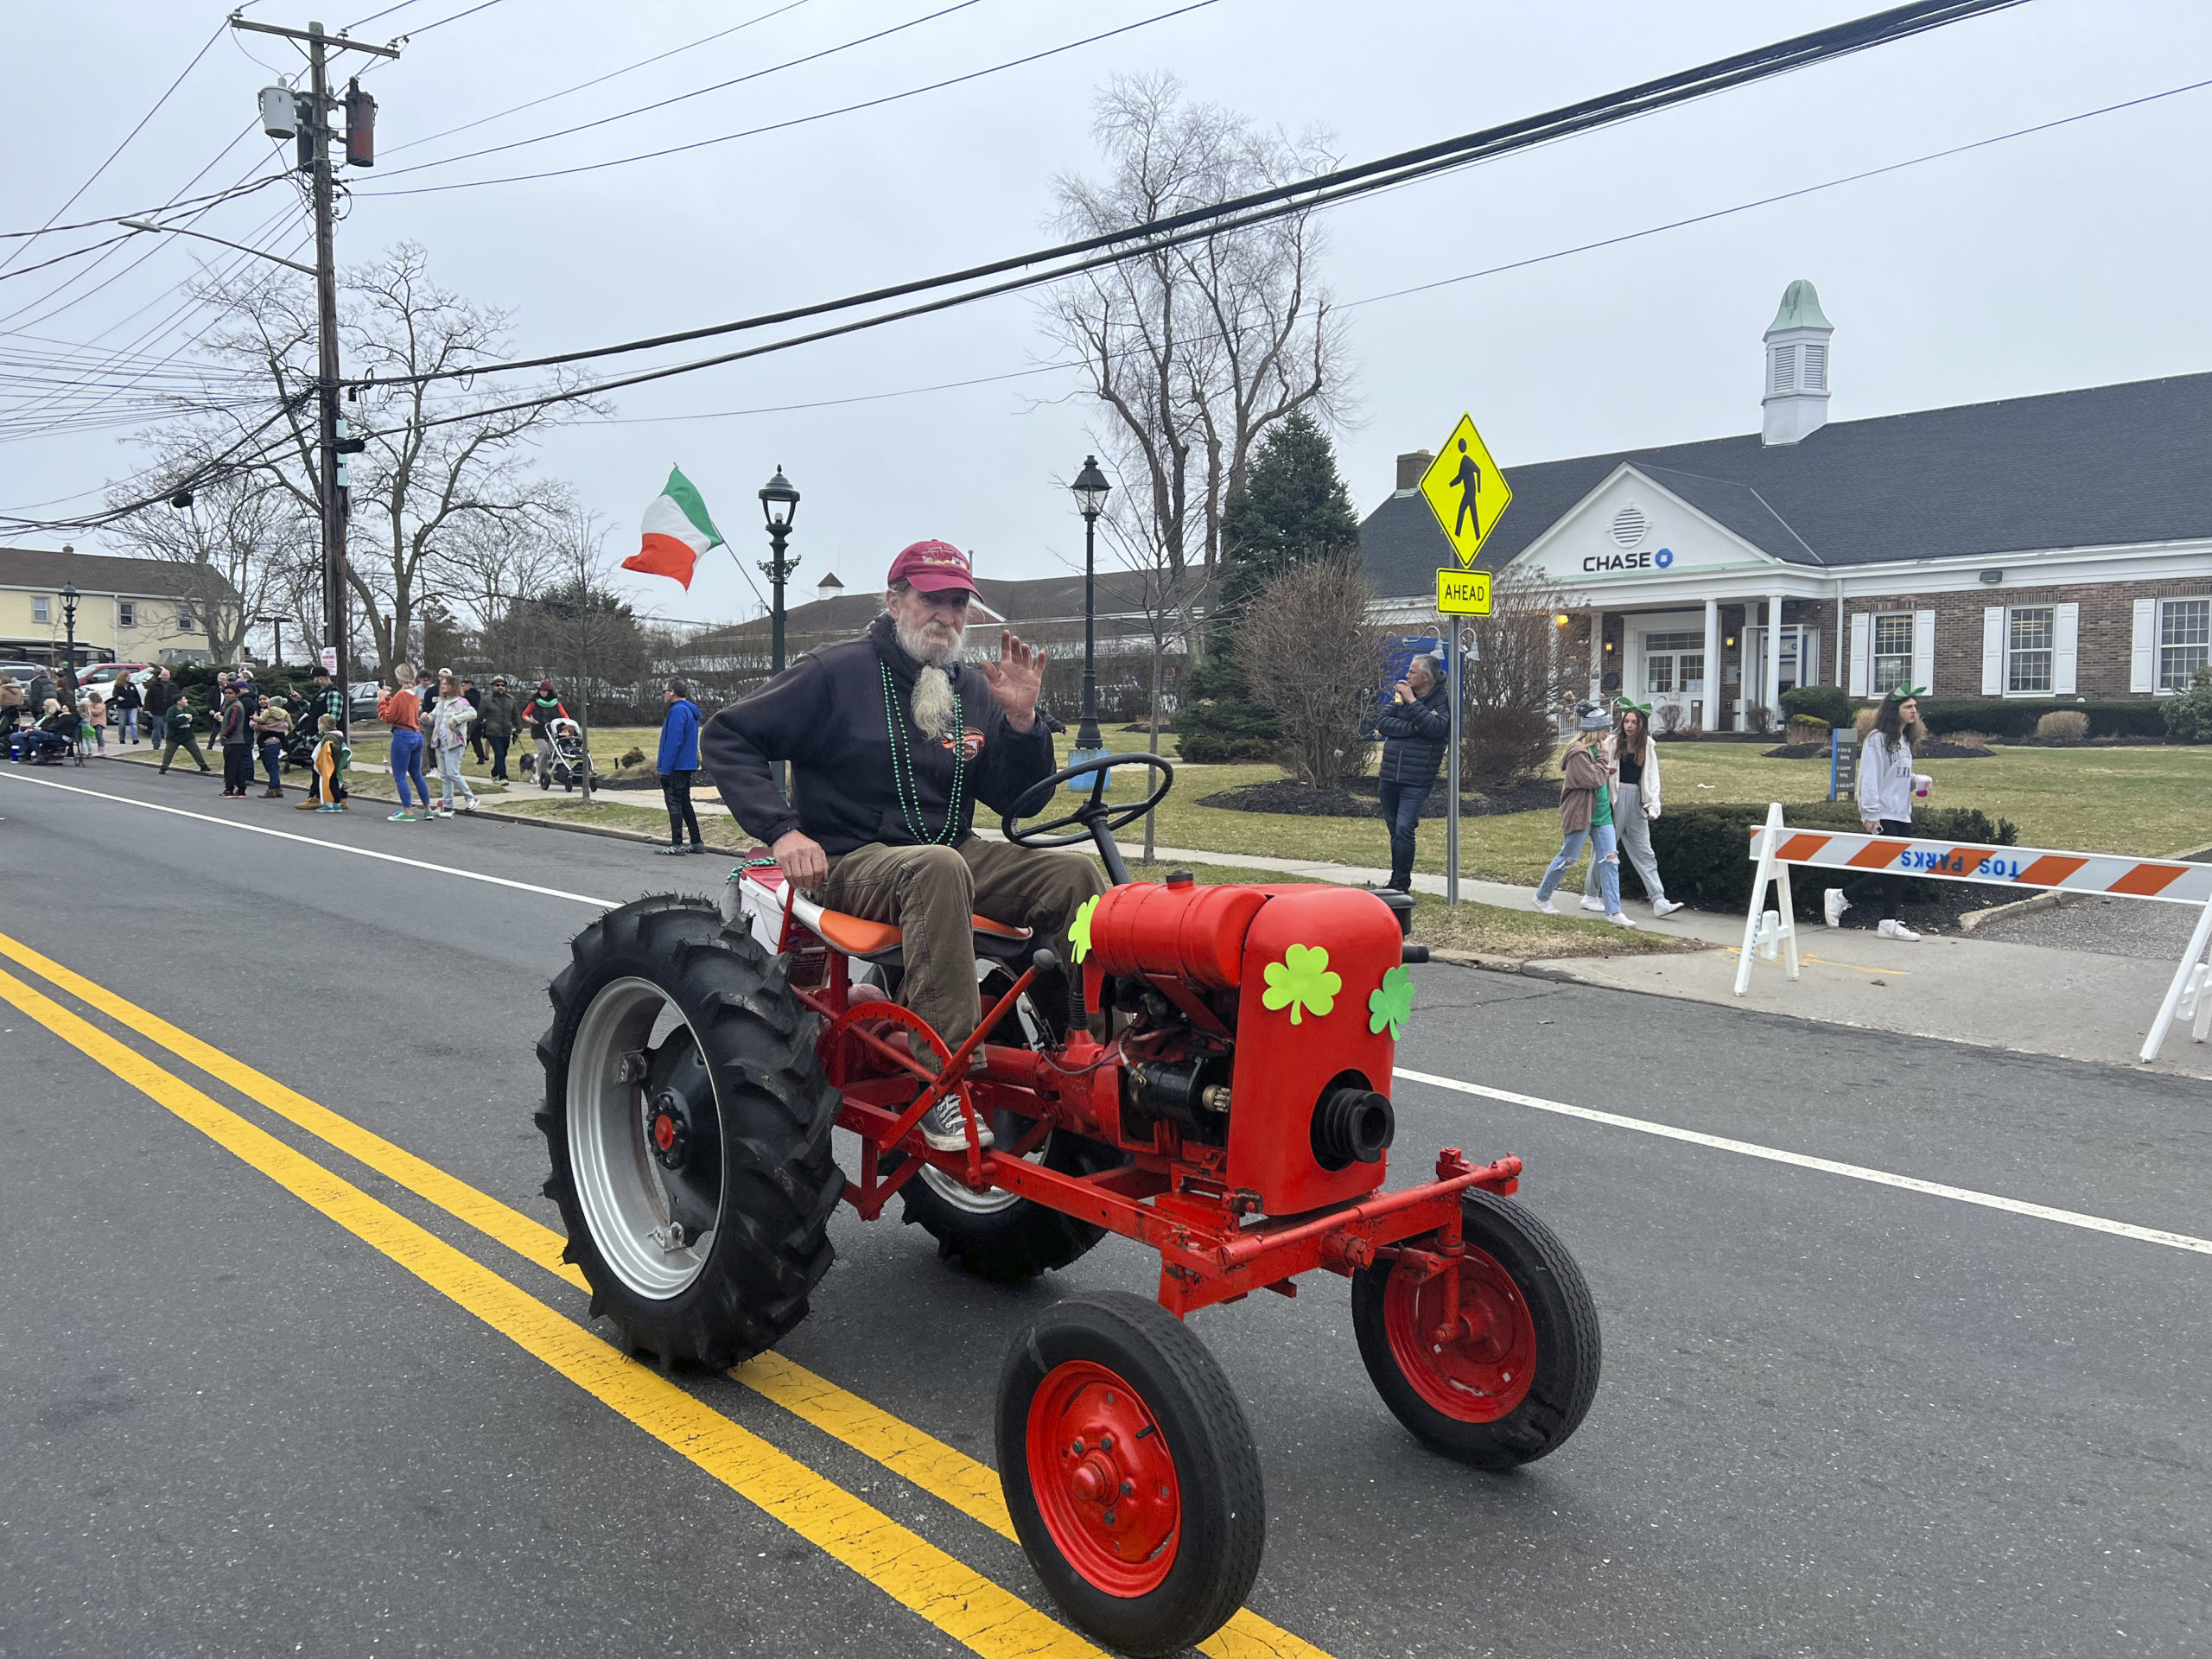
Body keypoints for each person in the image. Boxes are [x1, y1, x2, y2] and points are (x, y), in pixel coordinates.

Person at [703, 539, 1096, 1152]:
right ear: (894, 601)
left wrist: (1021, 726)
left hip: (952, 848)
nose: (945, 614)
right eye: (931, 598)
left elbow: (1022, 801)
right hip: (848, 859)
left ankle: (1094, 1053)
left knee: (1076, 877)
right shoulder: (835, 672)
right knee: (936, 869)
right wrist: (782, 829)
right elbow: (727, 736)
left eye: (958, 603)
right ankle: (941, 1082)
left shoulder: (972, 689)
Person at [1826, 687, 1932, 941]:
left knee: (1897, 869)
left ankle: (1887, 922)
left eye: (1915, 706)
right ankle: (1841, 897)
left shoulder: (1904, 741)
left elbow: (1896, 777)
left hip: (1901, 812)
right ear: (1893, 711)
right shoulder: (1877, 739)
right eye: (1908, 707)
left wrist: (1917, 781)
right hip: (1882, 813)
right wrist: (1871, 813)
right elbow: (1870, 779)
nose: (1914, 711)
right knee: (1891, 867)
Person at [1532, 701, 1636, 926]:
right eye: (1605, 729)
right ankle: (1542, 897)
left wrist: (1604, 768)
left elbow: (1597, 777)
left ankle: (1614, 912)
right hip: (1581, 813)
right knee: (1568, 858)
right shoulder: (1579, 752)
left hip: (1602, 814)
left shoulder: (1598, 749)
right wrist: (1603, 762)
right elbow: (1591, 779)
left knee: (1610, 860)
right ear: (1594, 730)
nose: (1608, 733)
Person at [1581, 702, 1682, 918]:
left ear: (1641, 725)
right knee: (1605, 849)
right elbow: (1596, 766)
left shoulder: (1647, 746)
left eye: (1634, 722)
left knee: (1645, 851)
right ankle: (1590, 894)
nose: (1629, 725)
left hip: (1637, 801)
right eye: (1626, 721)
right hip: (1613, 801)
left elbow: (1652, 777)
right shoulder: (1610, 742)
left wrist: (1654, 805)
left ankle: (1659, 900)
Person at [1374, 652, 1448, 894]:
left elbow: (1436, 729)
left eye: (1412, 672)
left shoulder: (1441, 700)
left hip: (1416, 780)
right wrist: (1416, 726)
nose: (1407, 676)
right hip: (1389, 776)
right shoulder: (1400, 696)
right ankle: (1395, 880)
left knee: (1405, 828)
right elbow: (1384, 723)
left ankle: (1402, 884)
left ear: (1426, 677)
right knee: (1395, 830)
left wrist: (1413, 703)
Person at [654, 678, 706, 856]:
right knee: (684, 801)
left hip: (676, 765)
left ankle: (677, 843)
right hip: (687, 764)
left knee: (674, 802)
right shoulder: (690, 711)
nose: (664, 694)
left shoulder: (677, 712)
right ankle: (696, 841)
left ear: (673, 693)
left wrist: (665, 770)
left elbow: (673, 743)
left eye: (665, 691)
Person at [378, 664, 431, 821]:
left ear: (400, 678)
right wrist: (387, 697)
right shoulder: (414, 693)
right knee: (416, 774)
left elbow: (388, 716)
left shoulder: (401, 695)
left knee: (400, 775)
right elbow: (399, 707)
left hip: (403, 735)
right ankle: (428, 809)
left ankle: (408, 811)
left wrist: (382, 700)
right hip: (416, 734)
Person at [428, 670, 478, 817]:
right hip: (442, 742)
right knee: (445, 775)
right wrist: (425, 716)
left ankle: (471, 797)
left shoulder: (461, 702)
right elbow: (432, 717)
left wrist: (457, 719)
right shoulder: (441, 703)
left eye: (445, 684)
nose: (442, 686)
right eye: (441, 684)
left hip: (455, 742)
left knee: (452, 772)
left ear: (453, 686)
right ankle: (448, 804)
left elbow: (473, 713)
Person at [156, 690, 211, 775]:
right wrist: (184, 718)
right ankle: (164, 767)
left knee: (195, 751)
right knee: (169, 752)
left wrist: (192, 720)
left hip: (188, 736)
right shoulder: (171, 710)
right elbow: (170, 722)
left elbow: (198, 718)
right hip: (174, 737)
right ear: (179, 702)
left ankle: (203, 766)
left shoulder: (190, 709)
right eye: (184, 699)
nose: (186, 701)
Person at [524, 681, 568, 788]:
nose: (543, 692)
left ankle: (542, 768)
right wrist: (530, 720)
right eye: (542, 690)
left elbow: (565, 717)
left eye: (546, 691)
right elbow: (525, 715)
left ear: (550, 692)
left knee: (554, 754)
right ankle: (541, 776)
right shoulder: (534, 703)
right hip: (538, 732)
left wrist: (566, 727)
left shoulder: (557, 704)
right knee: (544, 751)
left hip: (553, 733)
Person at [479, 674, 518, 781]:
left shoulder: (511, 699)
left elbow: (515, 715)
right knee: (499, 753)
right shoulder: (487, 700)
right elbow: (479, 717)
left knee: (503, 754)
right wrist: (470, 732)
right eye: (497, 685)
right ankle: (503, 777)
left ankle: (494, 772)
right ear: (493, 686)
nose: (500, 687)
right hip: (492, 732)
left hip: (506, 731)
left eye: (502, 685)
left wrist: (518, 727)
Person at [217, 684, 254, 798]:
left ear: (237, 694)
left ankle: (230, 789)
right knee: (238, 766)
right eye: (226, 693)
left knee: (231, 766)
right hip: (234, 740)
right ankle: (241, 789)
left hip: (234, 740)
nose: (227, 695)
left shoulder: (236, 706)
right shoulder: (231, 705)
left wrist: (225, 735)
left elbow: (233, 723)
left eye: (230, 693)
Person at [253, 696, 294, 798]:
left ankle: (272, 788)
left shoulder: (267, 712)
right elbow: (288, 725)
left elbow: (256, 721)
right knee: (272, 766)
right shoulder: (284, 713)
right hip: (278, 740)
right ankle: (277, 787)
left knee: (272, 766)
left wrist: (263, 725)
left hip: (269, 742)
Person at [311, 715, 350, 812]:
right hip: (336, 766)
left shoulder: (328, 737)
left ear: (324, 725)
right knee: (335, 784)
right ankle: (337, 804)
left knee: (326, 785)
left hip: (328, 765)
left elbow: (326, 751)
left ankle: (328, 804)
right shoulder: (339, 736)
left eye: (319, 724)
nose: (318, 726)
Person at [111, 672, 143, 745]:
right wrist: (118, 697)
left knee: (133, 722)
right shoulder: (118, 686)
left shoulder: (132, 685)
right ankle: (122, 738)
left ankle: (135, 739)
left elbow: (137, 696)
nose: (129, 678)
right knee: (122, 724)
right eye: (127, 676)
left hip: (133, 706)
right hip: (122, 707)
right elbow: (115, 694)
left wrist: (140, 706)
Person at [462, 676, 487, 764]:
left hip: (469, 720)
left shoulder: (466, 697)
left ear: (468, 686)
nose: (462, 688)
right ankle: (481, 756)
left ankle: (458, 755)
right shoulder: (478, 695)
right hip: (478, 720)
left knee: (465, 739)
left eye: (463, 686)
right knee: (476, 740)